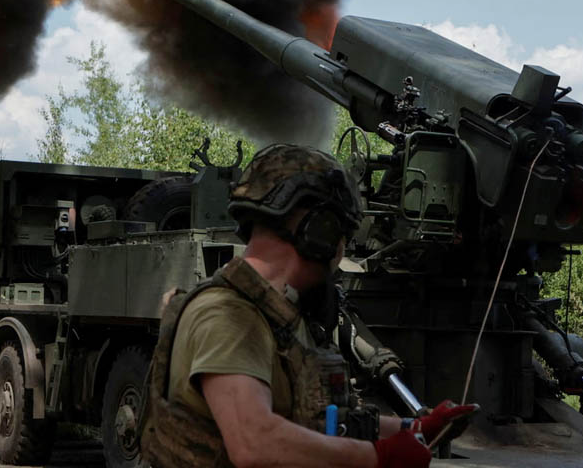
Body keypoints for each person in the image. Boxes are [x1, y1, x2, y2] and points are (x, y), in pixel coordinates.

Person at [139, 144, 476, 468]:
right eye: (340, 231)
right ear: (319, 230)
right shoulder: (228, 316)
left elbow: (323, 422)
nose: (341, 247)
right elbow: (253, 441)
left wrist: (415, 430)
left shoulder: (281, 317)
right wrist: (378, 457)